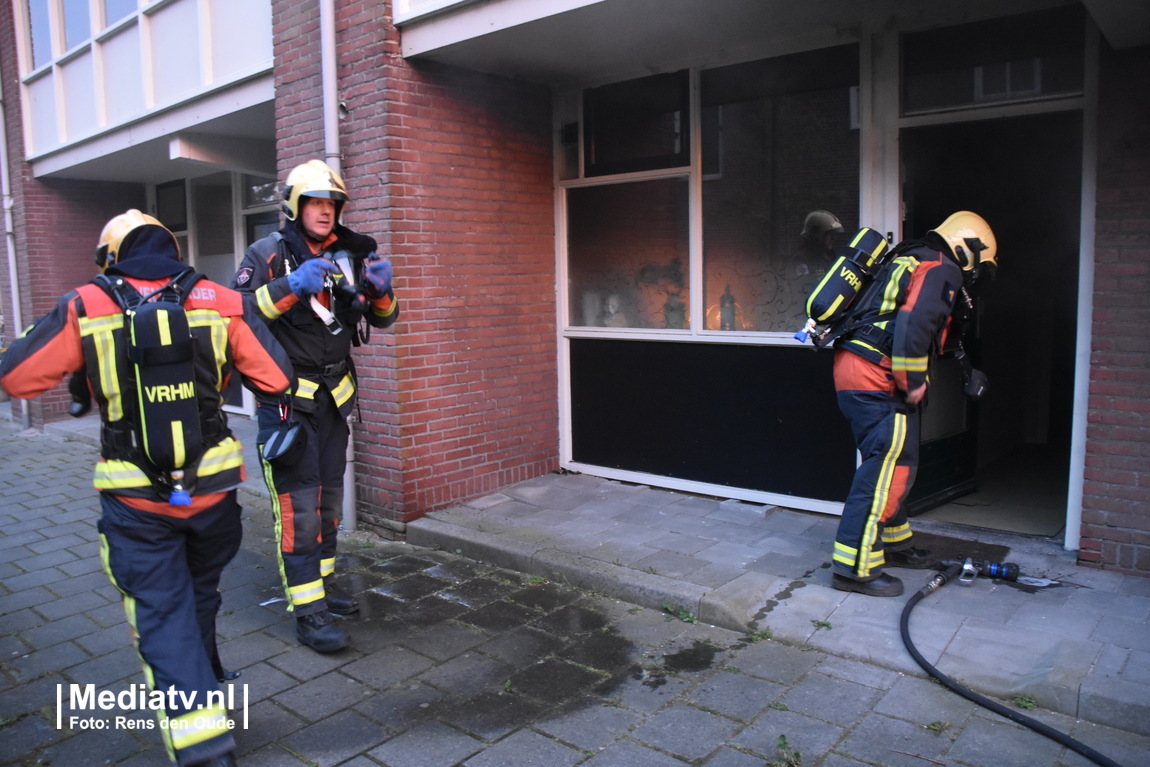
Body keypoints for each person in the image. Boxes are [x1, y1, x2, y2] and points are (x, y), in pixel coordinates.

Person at [0, 210, 294, 766]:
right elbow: (277, 380)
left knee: (161, 610)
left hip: (136, 496)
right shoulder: (219, 299)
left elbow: (16, 377)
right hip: (212, 492)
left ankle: (204, 743)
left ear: (113, 257)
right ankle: (206, 684)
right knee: (199, 592)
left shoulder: (86, 303)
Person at [231, 159, 398, 652]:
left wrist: (383, 293)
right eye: (316, 203)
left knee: (327, 500)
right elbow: (237, 314)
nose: (326, 212)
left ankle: (321, 587)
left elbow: (381, 320)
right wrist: (289, 287)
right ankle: (307, 612)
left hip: (333, 400)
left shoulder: (351, 252)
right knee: (298, 506)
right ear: (295, 207)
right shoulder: (266, 254)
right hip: (286, 404)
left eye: (332, 204)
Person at [829, 211, 997, 597]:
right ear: (967, 247)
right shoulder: (943, 268)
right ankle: (853, 568)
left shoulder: (913, 256)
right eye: (978, 264)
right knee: (885, 469)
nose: (973, 275)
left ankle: (895, 545)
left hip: (857, 369)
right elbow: (915, 323)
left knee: (896, 464)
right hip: (879, 376)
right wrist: (913, 382)